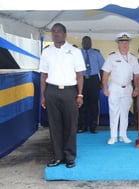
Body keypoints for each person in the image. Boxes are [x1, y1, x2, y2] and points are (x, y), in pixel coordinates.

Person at [39, 23, 86, 168]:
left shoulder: (74, 51)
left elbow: (79, 76)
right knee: (54, 125)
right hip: (51, 91)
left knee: (70, 125)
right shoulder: (46, 52)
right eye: (53, 32)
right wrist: (43, 96)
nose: (55, 34)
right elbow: (43, 76)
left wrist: (80, 94)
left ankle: (70, 156)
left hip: (69, 92)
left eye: (58, 31)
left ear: (65, 34)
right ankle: (58, 156)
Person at [102, 32, 139, 145]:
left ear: (129, 44)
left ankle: (123, 135)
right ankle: (113, 136)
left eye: (126, 42)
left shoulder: (133, 58)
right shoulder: (112, 57)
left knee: (125, 112)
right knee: (114, 112)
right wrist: (105, 87)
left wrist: (136, 88)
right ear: (118, 44)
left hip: (128, 88)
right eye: (122, 42)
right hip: (115, 88)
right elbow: (105, 73)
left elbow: (136, 75)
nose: (124, 44)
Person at [77, 36, 105, 134]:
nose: (87, 43)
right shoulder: (77, 53)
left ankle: (93, 126)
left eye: (89, 42)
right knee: (81, 103)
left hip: (93, 80)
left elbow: (102, 68)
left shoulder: (96, 53)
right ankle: (82, 125)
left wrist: (102, 81)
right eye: (85, 42)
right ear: (82, 43)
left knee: (94, 104)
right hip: (81, 80)